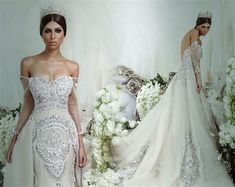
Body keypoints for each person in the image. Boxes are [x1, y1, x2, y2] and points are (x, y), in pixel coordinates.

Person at [111, 11, 234, 187]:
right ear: (197, 25)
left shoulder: (191, 36)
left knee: (180, 116)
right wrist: (198, 82)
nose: (206, 30)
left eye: (208, 27)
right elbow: (194, 62)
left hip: (183, 78)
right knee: (186, 115)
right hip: (188, 78)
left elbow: (183, 58)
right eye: (203, 26)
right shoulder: (193, 34)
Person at [3, 4, 87, 187]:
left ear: (65, 34)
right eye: (47, 31)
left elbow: (72, 105)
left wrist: (80, 143)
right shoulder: (28, 63)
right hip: (37, 134)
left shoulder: (73, 67)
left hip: (66, 134)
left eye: (58, 31)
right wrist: (14, 139)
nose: (52, 36)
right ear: (41, 33)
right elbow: (27, 103)